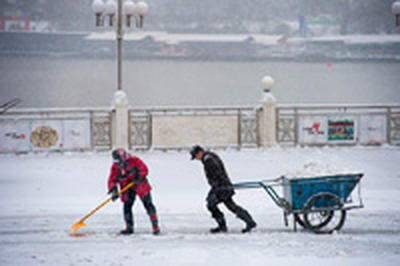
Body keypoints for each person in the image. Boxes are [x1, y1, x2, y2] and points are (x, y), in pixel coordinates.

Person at [190, 145, 257, 233]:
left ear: (200, 152)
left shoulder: (209, 160)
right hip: (222, 185)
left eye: (196, 156)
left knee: (212, 204)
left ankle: (223, 226)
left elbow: (216, 174)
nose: (196, 158)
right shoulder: (210, 156)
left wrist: (216, 187)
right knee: (230, 205)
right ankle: (249, 222)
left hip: (221, 186)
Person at [107, 148, 160, 235]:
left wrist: (139, 177)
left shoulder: (134, 160)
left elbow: (144, 169)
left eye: (118, 160)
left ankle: (155, 227)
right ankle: (129, 227)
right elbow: (112, 179)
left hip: (140, 185)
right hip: (127, 188)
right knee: (127, 206)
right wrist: (113, 189)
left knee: (148, 204)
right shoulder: (115, 167)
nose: (117, 162)